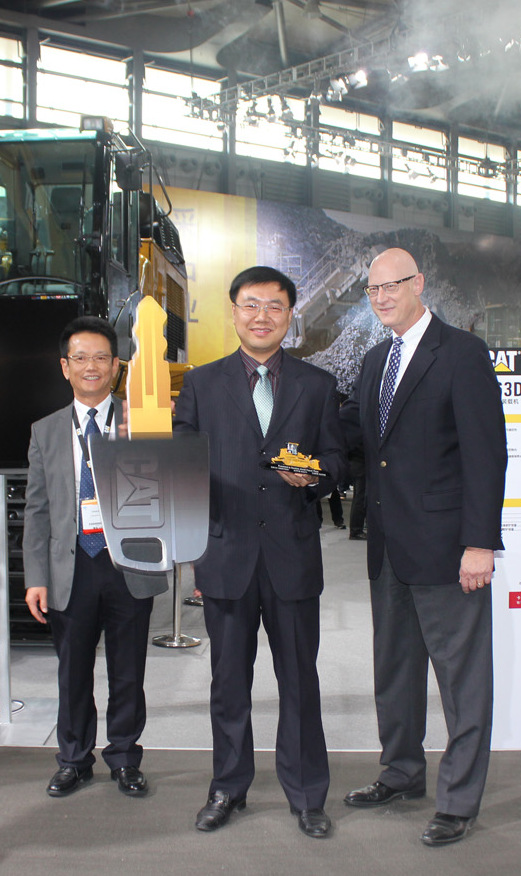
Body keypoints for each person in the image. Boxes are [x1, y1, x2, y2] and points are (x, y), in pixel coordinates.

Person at [340, 247, 507, 847]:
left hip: (447, 550)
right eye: (373, 289)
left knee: (461, 681)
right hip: (388, 548)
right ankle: (401, 773)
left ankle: (458, 800)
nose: (382, 297)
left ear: (419, 284)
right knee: (396, 671)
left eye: (393, 285)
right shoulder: (374, 362)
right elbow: (363, 448)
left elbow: (486, 454)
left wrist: (480, 543)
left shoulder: (461, 353)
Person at [173, 265, 346, 839]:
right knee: (228, 684)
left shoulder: (316, 385)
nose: (262, 316)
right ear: (233, 312)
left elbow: (336, 462)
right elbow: (183, 462)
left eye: (274, 306)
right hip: (227, 555)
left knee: (299, 682)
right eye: (251, 304)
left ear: (290, 315)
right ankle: (228, 787)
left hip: (292, 556)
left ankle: (308, 795)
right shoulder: (202, 384)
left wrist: (313, 475)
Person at [23, 316, 167, 799]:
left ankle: (124, 758)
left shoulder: (141, 422)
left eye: (101, 357)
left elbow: (167, 493)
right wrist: (36, 576)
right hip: (70, 568)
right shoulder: (45, 431)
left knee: (128, 671)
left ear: (116, 366)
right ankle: (73, 759)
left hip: (128, 565)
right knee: (72, 671)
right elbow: (37, 510)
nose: (91, 366)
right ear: (65, 367)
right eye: (80, 358)